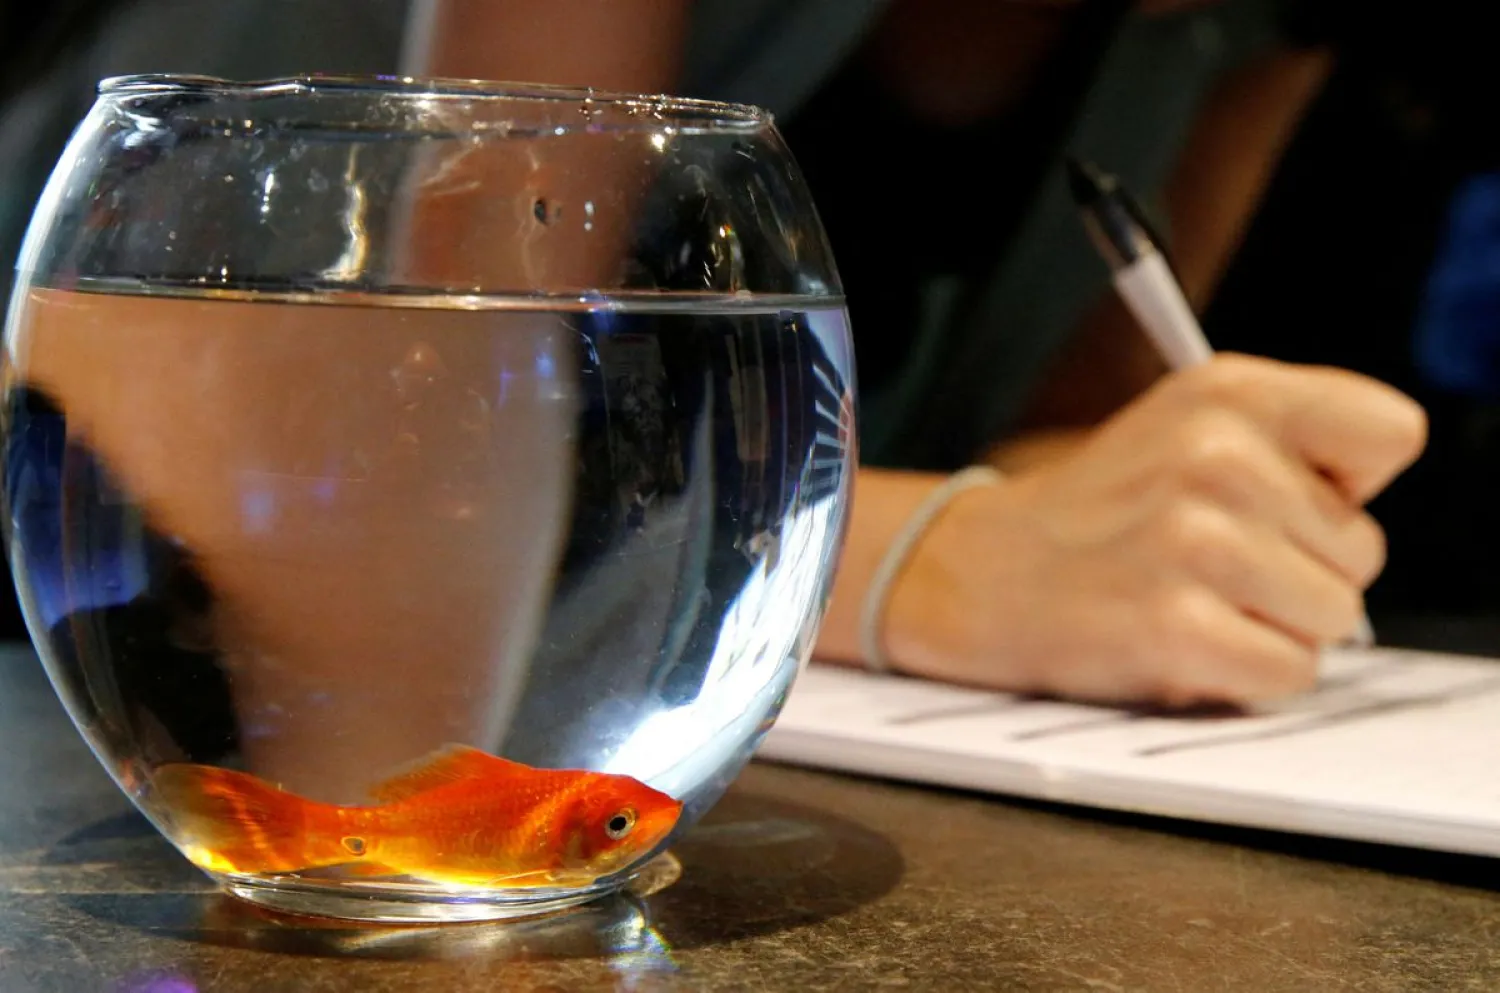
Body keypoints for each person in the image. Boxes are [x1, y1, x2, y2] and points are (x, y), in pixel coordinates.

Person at [0, 0, 1427, 713]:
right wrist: (942, 560)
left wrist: (1186, 516)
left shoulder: (1252, 23)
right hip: (126, 596)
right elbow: (435, 421)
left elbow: (1075, 424)